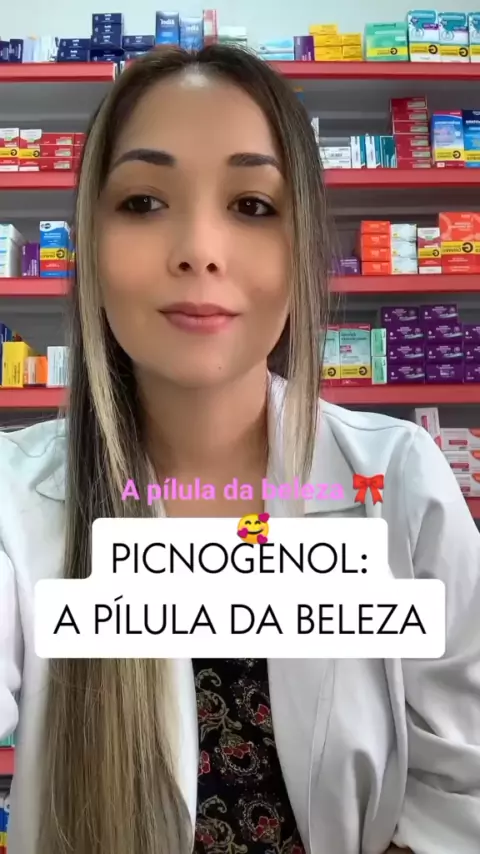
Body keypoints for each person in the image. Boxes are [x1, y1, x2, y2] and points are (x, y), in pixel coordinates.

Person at [0, 45, 479, 854]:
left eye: (252, 205)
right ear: (91, 244)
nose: (199, 248)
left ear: (303, 250)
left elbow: (463, 782)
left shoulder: (398, 481)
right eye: (144, 201)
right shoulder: (14, 502)